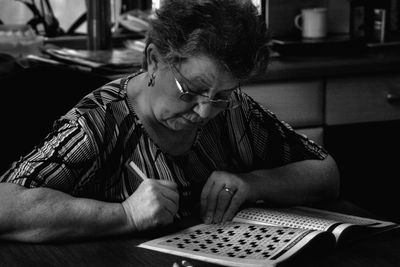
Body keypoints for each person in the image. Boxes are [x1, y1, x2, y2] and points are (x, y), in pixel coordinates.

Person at [0, 0, 340, 242]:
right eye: (190, 91)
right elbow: (6, 205)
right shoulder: (99, 122)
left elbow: (325, 172)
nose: (205, 112)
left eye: (220, 96)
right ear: (153, 60)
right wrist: (125, 216)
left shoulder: (234, 110)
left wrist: (253, 183)